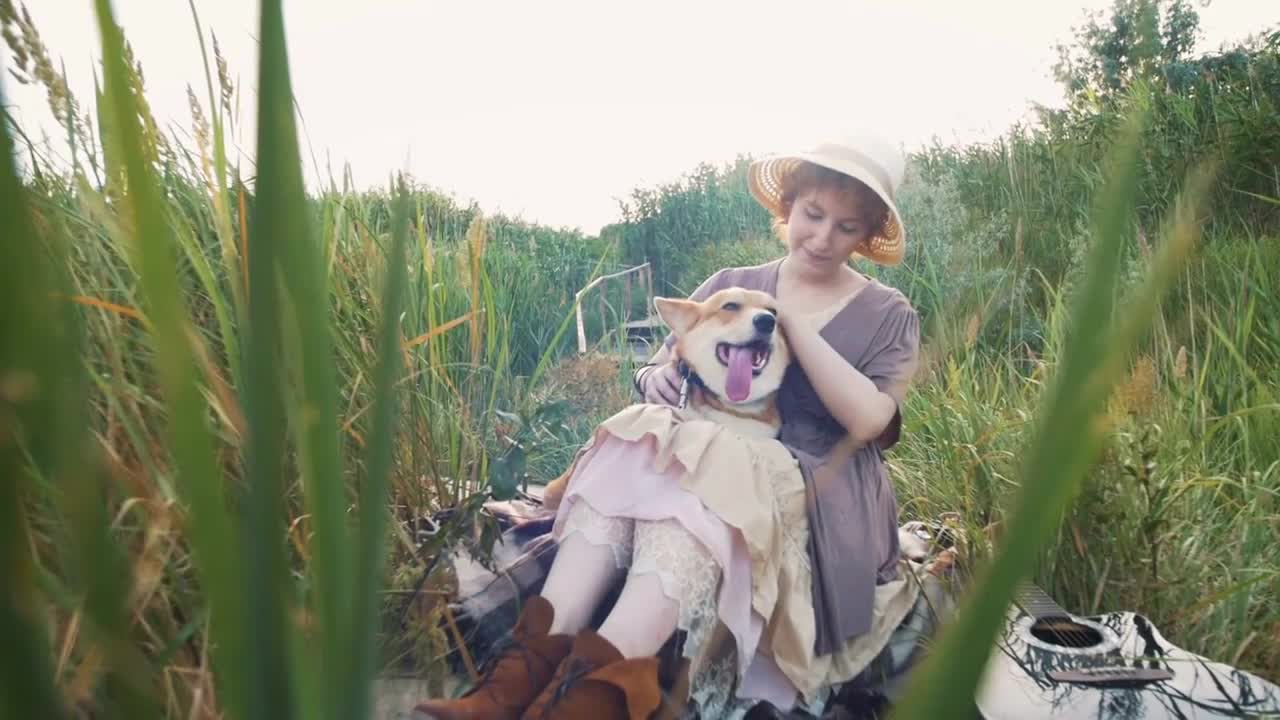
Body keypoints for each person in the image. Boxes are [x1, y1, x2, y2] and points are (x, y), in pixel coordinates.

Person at [414, 132, 922, 720]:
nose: (823, 237)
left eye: (847, 226)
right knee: (646, 425)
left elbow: (870, 422)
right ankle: (509, 688)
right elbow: (668, 360)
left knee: (712, 467)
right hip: (709, 458)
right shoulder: (731, 282)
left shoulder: (887, 314)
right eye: (813, 215)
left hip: (818, 480)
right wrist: (653, 377)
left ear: (866, 234)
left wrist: (791, 321)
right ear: (788, 206)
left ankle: (585, 703)